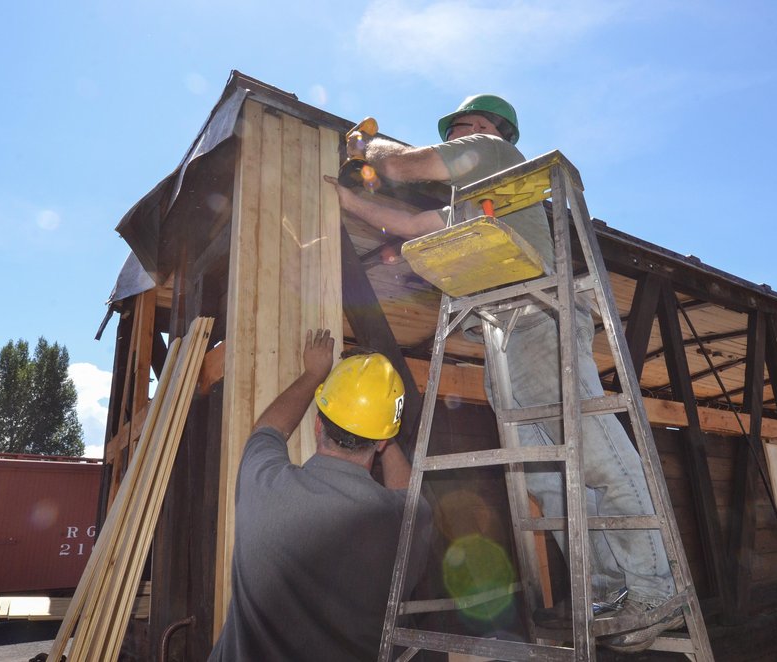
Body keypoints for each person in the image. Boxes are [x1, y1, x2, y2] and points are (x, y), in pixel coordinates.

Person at [324, 95, 680, 652]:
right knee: (547, 479)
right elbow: (409, 222)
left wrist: (364, 148)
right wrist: (342, 197)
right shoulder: (478, 207)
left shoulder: (492, 156)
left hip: (540, 319)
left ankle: (654, 589)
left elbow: (402, 165)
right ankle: (607, 589)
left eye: (465, 126)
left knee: (599, 458)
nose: (459, 133)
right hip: (500, 333)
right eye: (456, 129)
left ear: (495, 132)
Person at [208, 329, 432, 661]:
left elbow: (268, 429)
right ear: (382, 443)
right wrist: (377, 425)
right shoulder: (404, 523)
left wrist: (314, 374)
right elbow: (408, 492)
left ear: (317, 425)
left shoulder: (264, 485)